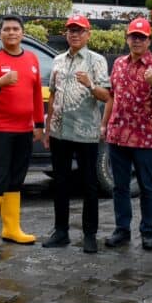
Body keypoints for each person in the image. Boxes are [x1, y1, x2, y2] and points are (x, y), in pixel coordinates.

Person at [0, 14, 45, 254]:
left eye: (16, 29)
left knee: (16, 180)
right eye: (7, 30)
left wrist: (38, 124)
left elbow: (36, 94)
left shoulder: (32, 59)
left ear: (22, 33)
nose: (11, 33)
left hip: (24, 131)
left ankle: (11, 228)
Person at [42, 14, 110, 254]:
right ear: (65, 33)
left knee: (89, 184)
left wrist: (90, 85)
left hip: (86, 132)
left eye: (80, 30)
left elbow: (106, 95)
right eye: (71, 30)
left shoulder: (97, 61)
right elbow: (52, 94)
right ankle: (60, 231)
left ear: (88, 34)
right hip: (60, 131)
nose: (75, 34)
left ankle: (89, 234)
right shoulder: (58, 60)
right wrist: (48, 128)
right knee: (60, 183)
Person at [102, 17, 152, 251]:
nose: (137, 41)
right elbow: (112, 96)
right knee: (119, 187)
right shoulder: (119, 63)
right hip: (117, 136)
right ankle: (122, 230)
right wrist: (105, 125)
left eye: (141, 37)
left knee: (146, 187)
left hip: (144, 138)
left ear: (149, 40)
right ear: (127, 38)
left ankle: (147, 231)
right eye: (133, 36)